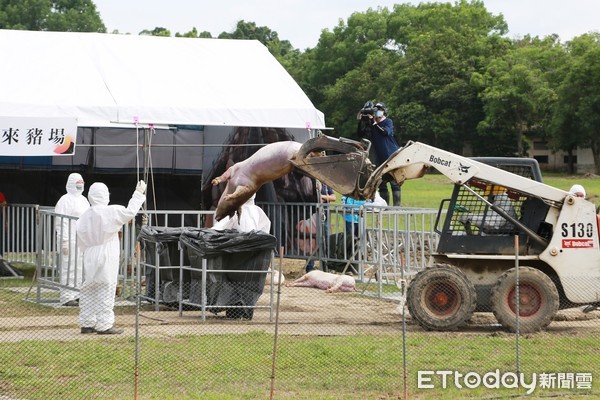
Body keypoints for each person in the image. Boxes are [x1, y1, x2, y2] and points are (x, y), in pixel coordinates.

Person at [76, 180, 146, 335]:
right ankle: (104, 324)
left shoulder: (85, 215)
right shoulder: (111, 211)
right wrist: (138, 194)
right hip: (107, 252)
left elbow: (80, 236)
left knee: (89, 287)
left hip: (89, 252)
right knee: (106, 287)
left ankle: (86, 323)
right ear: (105, 195)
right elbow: (129, 212)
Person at [54, 173, 90, 307]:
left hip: (81, 240)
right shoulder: (65, 200)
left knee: (80, 267)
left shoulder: (84, 200)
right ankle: (66, 296)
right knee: (68, 267)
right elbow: (61, 221)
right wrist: (64, 241)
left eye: (82, 181)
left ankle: (78, 294)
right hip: (69, 239)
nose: (81, 184)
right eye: (78, 182)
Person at [369, 102, 401, 206]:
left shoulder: (388, 121)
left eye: (379, 109)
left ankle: (397, 206)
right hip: (379, 157)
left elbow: (385, 132)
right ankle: (385, 205)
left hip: (391, 155)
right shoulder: (373, 124)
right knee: (381, 183)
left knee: (394, 182)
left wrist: (374, 124)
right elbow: (361, 133)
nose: (377, 111)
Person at [306, 181, 336, 273]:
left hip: (325, 216)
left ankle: (327, 266)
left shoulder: (325, 184)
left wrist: (321, 197)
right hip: (312, 215)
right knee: (311, 241)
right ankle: (310, 267)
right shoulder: (310, 182)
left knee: (326, 240)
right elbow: (310, 198)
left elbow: (333, 197)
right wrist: (325, 197)